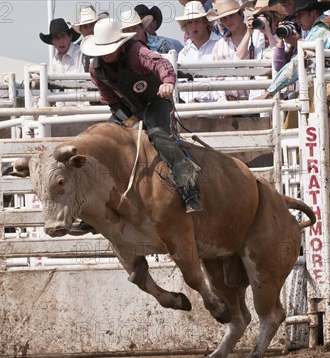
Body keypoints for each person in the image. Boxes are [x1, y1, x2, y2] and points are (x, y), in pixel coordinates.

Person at [81, 18, 203, 213]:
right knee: (101, 141)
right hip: (128, 109)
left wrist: (167, 82)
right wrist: (130, 120)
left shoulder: (136, 52)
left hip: (156, 102)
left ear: (118, 45)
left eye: (110, 48)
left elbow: (161, 64)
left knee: (158, 136)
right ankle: (93, 202)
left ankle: (189, 187)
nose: (106, 54)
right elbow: (111, 100)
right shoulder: (96, 69)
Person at [208, 0, 266, 101]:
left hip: (259, 99)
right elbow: (215, 79)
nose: (228, 21)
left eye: (231, 16)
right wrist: (223, 101)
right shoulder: (219, 45)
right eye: (224, 18)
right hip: (231, 104)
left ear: (240, 14)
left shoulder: (259, 36)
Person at [175, 1, 223, 103]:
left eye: (197, 21)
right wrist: (190, 100)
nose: (193, 26)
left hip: (219, 107)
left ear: (205, 22)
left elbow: (226, 81)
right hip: (193, 110)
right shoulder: (183, 54)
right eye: (189, 22)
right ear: (185, 27)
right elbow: (182, 85)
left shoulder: (222, 45)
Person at [72, 5, 109, 73]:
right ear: (81, 30)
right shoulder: (76, 51)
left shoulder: (109, 44)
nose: (89, 30)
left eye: (92, 25)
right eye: (85, 27)